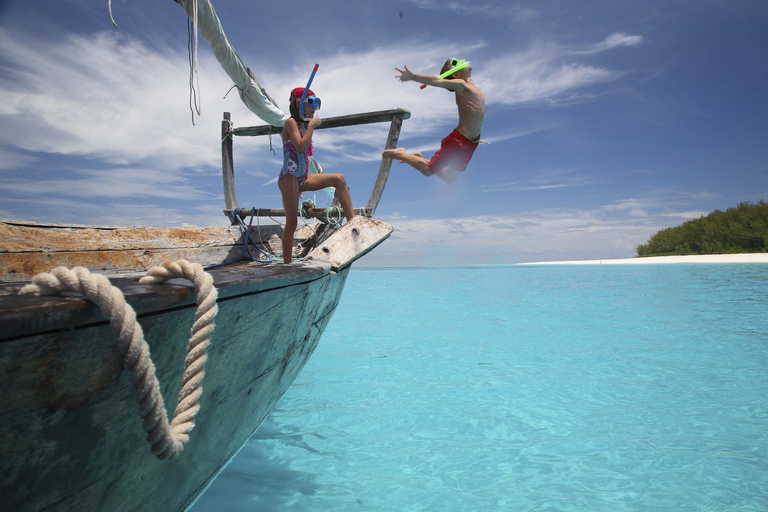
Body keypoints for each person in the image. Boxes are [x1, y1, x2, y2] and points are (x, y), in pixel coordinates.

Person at [278, 87, 355, 263]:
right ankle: (287, 265)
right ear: (299, 104)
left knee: (339, 179)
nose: (315, 108)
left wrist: (308, 125)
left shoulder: (303, 125)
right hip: (289, 177)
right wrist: (311, 126)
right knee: (292, 223)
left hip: (302, 177)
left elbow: (304, 154)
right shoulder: (291, 122)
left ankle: (352, 225)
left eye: (317, 103)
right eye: (311, 103)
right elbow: (299, 146)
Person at [383, 58, 485, 183]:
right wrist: (413, 76)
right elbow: (437, 80)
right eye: (455, 63)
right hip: (459, 141)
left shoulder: (471, 86)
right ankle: (400, 154)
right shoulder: (461, 85)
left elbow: (465, 77)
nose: (461, 61)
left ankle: (417, 158)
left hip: (471, 143)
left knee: (449, 178)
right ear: (456, 74)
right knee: (428, 171)